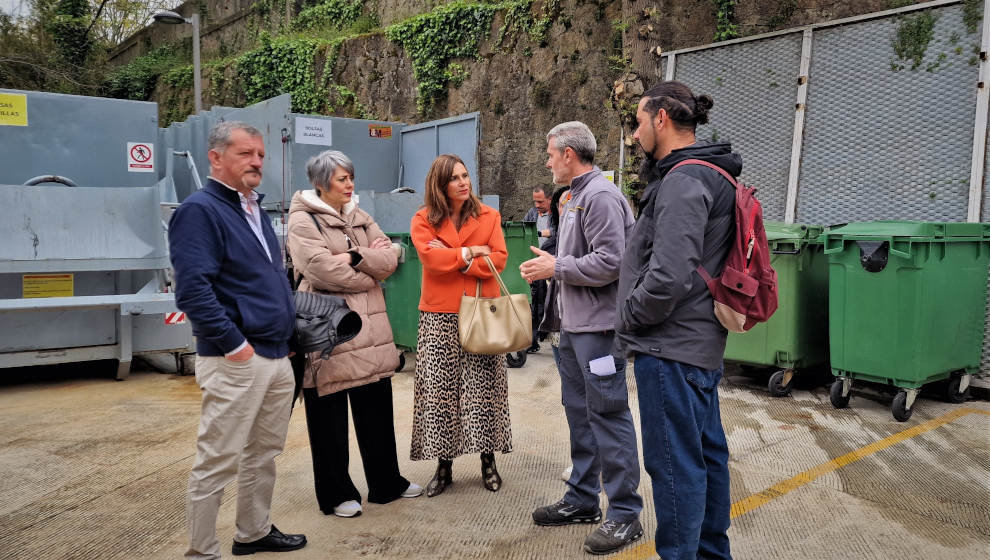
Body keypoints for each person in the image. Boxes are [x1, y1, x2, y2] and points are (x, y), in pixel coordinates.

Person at [168, 121, 306, 559]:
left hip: (275, 353)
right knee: (217, 460)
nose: (257, 162)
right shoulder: (200, 210)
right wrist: (234, 345)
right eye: (246, 154)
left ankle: (252, 532)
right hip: (236, 359)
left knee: (263, 453)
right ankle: (202, 551)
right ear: (215, 157)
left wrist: (285, 339)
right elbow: (192, 291)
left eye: (261, 155)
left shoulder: (253, 208)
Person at [616, 81, 737, 560]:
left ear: (661, 119)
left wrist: (629, 314)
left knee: (674, 469)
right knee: (704, 460)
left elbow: (667, 277)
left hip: (669, 349)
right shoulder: (710, 174)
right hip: (694, 346)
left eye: (640, 122)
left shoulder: (685, 180)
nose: (636, 133)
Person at [520, 121, 643, 556]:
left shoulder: (601, 196)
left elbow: (613, 262)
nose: (548, 160)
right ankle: (583, 499)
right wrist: (553, 262)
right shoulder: (575, 197)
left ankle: (625, 515)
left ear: (570, 154)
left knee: (608, 415)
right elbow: (582, 258)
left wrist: (556, 268)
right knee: (580, 414)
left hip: (599, 330)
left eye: (551, 153)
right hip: (574, 328)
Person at [285, 150, 422, 519]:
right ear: (320, 183)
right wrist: (367, 265)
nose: (350, 184)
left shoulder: (359, 215)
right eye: (342, 179)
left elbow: (391, 259)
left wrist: (351, 257)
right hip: (330, 331)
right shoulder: (303, 221)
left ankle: (386, 482)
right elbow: (319, 271)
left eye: (351, 177)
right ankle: (336, 493)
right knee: (328, 416)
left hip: (371, 330)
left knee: (376, 409)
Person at [409, 153, 512, 497]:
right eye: (455, 178)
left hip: (481, 310)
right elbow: (430, 259)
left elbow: (498, 258)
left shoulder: (489, 216)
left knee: (483, 390)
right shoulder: (423, 219)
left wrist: (458, 259)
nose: (464, 182)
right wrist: (470, 252)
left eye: (465, 176)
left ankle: (488, 461)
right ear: (440, 184)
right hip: (439, 315)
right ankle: (444, 466)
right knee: (440, 393)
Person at [524, 185, 554, 353]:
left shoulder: (556, 213)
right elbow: (525, 228)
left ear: (550, 199)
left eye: (540, 201)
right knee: (534, 301)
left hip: (550, 263)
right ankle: (533, 339)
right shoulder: (532, 213)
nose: (536, 204)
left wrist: (541, 233)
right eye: (535, 201)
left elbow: (558, 232)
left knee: (545, 301)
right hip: (534, 263)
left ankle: (543, 332)